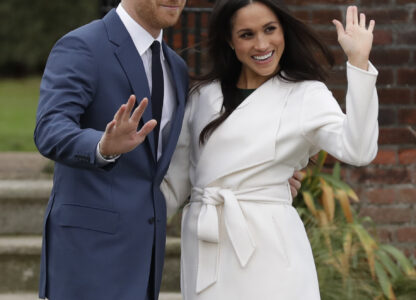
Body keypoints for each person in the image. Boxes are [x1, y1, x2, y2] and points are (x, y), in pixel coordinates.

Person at [161, 1, 378, 299]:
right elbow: (173, 185)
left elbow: (359, 149)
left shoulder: (306, 94)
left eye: (269, 29)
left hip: (271, 248)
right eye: (247, 34)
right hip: (206, 244)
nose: (262, 44)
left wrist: (359, 62)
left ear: (283, 31)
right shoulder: (201, 96)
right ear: (230, 40)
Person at [34, 0, 188, 299]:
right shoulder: (83, 45)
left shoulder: (176, 67)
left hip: (145, 259)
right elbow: (49, 129)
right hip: (88, 258)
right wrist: (102, 147)